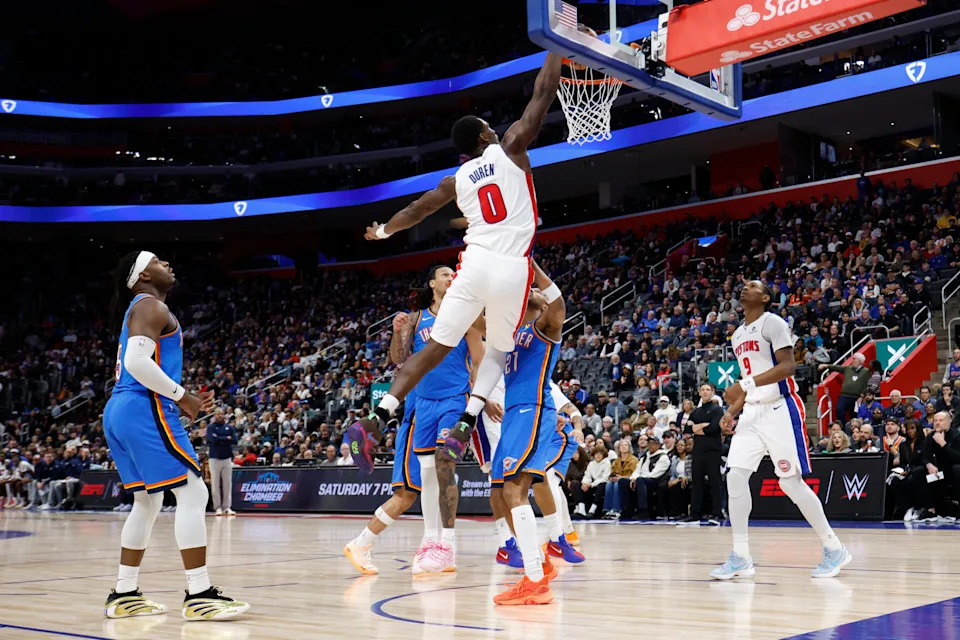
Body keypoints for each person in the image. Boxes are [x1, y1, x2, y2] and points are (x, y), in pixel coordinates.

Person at [351, 53, 564, 475]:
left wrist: (382, 233)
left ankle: (379, 415)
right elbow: (543, 92)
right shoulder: (512, 147)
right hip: (510, 268)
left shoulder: (456, 180)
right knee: (498, 351)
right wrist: (558, 46)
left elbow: (416, 210)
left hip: (473, 264)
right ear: (486, 133)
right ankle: (466, 425)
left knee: (435, 348)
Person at [102, 251, 249, 620]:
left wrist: (184, 397)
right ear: (141, 276)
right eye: (156, 260)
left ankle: (124, 593)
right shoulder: (151, 305)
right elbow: (138, 363)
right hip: (143, 405)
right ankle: (199, 594)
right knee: (194, 491)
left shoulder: (139, 307)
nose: (167, 263)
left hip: (120, 408)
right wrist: (184, 397)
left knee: (147, 503)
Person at [345, 266, 485, 577]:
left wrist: (479, 399)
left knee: (443, 465)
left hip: (453, 399)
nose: (450, 278)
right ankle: (431, 543)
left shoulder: (468, 316)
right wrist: (398, 332)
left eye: (454, 274)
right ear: (433, 283)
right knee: (424, 476)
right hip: (421, 404)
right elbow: (399, 360)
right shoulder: (418, 318)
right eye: (444, 274)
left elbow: (478, 361)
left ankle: (442, 543)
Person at [714, 280, 851, 581]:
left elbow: (787, 367)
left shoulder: (773, 323)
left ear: (764, 297)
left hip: (780, 409)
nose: (744, 288)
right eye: (743, 285)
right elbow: (750, 380)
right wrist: (731, 411)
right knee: (735, 476)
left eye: (751, 286)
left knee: (790, 483)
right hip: (751, 412)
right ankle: (740, 556)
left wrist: (744, 385)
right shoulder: (737, 335)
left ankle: (834, 547)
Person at [490, 261, 567, 606]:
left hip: (532, 409)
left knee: (514, 490)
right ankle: (539, 561)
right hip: (510, 415)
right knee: (497, 494)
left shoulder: (546, 327)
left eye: (536, 291)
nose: (533, 292)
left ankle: (535, 579)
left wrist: (528, 264)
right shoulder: (507, 332)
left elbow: (559, 303)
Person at [681, 383, 724, 523]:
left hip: (713, 450)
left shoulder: (717, 409)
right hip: (698, 451)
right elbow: (687, 431)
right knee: (697, 483)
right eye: (702, 390)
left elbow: (713, 428)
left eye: (707, 390)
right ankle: (694, 514)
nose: (705, 392)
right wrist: (701, 427)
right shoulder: (695, 412)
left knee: (714, 482)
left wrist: (696, 428)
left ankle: (717, 513)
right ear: (699, 393)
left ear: (712, 392)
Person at [818, 353, 869, 425]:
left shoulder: (865, 371)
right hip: (844, 395)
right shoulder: (848, 368)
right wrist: (825, 365)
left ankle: (853, 430)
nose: (852, 360)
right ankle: (844, 427)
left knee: (854, 415)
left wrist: (862, 395)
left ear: (860, 361)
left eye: (854, 359)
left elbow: (866, 384)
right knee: (839, 409)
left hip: (856, 397)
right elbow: (837, 368)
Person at [206, 408, 237, 517]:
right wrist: (226, 438)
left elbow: (234, 440)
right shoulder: (211, 427)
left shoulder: (230, 427)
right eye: (218, 414)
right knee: (215, 484)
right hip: (214, 458)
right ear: (214, 415)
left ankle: (227, 507)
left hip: (227, 458)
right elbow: (212, 440)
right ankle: (217, 507)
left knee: (227, 484)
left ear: (224, 415)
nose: (220, 415)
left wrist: (219, 438)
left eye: (221, 413)